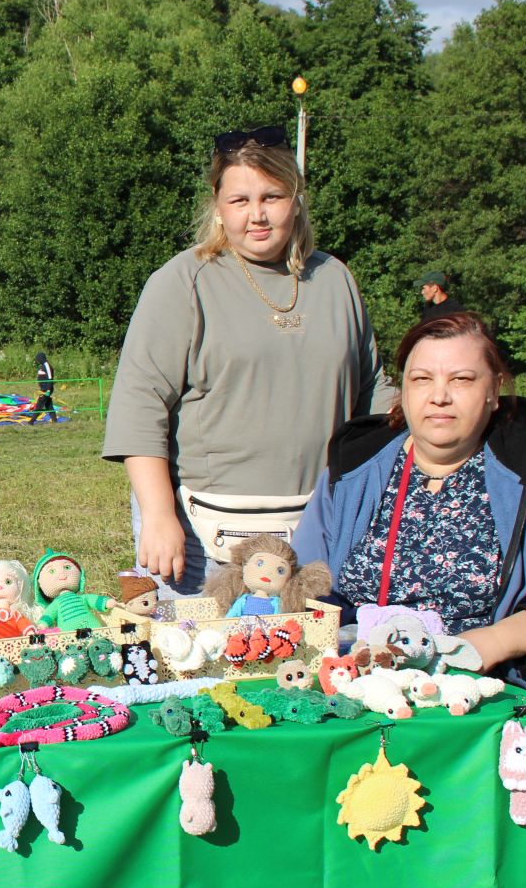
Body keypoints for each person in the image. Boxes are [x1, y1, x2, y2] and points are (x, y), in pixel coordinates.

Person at [103, 124, 394, 596]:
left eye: (272, 197)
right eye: (240, 200)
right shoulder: (183, 282)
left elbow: (373, 395)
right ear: (217, 205)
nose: (257, 215)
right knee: (207, 662)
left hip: (318, 525)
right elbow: (140, 404)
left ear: (296, 200)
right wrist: (157, 516)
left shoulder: (335, 280)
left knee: (310, 663)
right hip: (205, 534)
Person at [295, 310, 526, 735]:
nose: (439, 396)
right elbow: (297, 590)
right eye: (422, 379)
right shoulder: (355, 470)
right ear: (403, 391)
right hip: (358, 687)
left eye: (462, 379)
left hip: (482, 696)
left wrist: (491, 642)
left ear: (494, 390)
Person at [27, 351, 56, 422]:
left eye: (38, 359)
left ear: (41, 358)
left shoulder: (47, 366)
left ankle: (31, 421)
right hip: (43, 389)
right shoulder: (42, 365)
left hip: (46, 389)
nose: (38, 361)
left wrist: (48, 390)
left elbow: (50, 378)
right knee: (49, 405)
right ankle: (54, 420)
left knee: (39, 405)